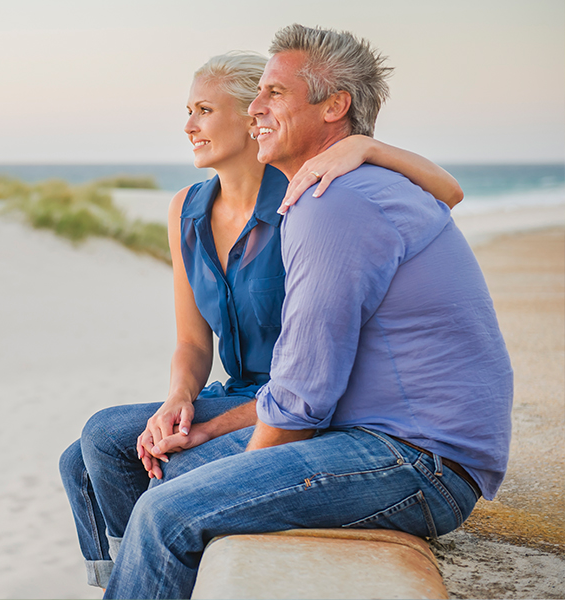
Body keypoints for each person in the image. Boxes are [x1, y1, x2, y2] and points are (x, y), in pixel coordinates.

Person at [93, 25, 513, 599]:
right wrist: (207, 431)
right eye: (255, 93)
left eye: (273, 95)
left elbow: (301, 399)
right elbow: (296, 384)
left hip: (418, 461)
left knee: (165, 508)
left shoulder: (332, 204)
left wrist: (228, 475)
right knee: (137, 464)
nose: (256, 110)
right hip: (385, 438)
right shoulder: (340, 188)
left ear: (334, 105)